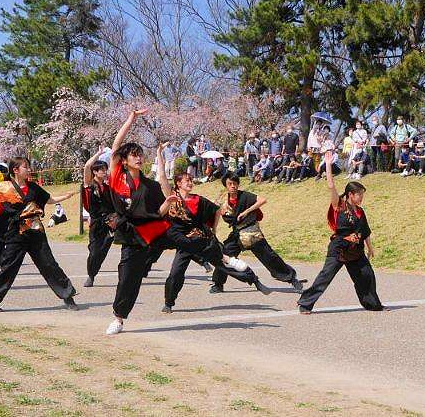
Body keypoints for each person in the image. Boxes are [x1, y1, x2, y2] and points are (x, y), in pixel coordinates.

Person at [155, 147, 269, 312]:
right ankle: (169, 303)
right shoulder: (173, 198)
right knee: (175, 274)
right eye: (187, 180)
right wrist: (159, 155)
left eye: (191, 180)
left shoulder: (198, 200)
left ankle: (253, 279)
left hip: (202, 240)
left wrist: (214, 229)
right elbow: (162, 178)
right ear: (178, 184)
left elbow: (216, 210)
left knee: (223, 263)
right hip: (184, 243)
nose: (190, 182)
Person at [0, 156, 78, 312]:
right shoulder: (2, 186)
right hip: (15, 233)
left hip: (36, 231)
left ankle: (67, 295)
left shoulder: (33, 188)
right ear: (15, 170)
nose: (29, 170)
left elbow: (50, 199)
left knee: (49, 264)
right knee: (9, 267)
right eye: (26, 167)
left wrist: (66, 196)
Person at [105, 108, 176, 335]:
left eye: (140, 154)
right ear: (124, 161)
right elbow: (116, 145)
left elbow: (163, 204)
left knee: (191, 240)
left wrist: (170, 201)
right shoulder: (117, 177)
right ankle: (118, 318)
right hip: (131, 236)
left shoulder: (150, 186)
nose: (138, 157)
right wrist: (131, 119)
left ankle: (223, 258)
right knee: (128, 278)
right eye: (133, 154)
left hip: (154, 232)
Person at [297, 151, 386, 314]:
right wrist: (328, 164)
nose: (361, 198)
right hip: (339, 248)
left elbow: (365, 231)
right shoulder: (339, 205)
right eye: (359, 195)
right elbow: (331, 185)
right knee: (325, 277)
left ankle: (373, 304)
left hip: (356, 250)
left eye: (362, 195)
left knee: (367, 275)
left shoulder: (360, 212)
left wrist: (370, 248)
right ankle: (305, 303)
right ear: (351, 194)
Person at [211, 172, 305, 293]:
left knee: (270, 257)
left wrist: (246, 211)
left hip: (252, 232)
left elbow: (262, 200)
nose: (233, 186)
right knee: (225, 256)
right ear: (226, 186)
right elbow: (215, 210)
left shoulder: (245, 196)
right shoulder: (224, 200)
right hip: (237, 235)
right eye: (230, 184)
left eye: (235, 183)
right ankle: (218, 284)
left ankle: (291, 279)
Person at [82, 147, 114, 287]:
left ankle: (93, 273)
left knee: (103, 250)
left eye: (105, 169)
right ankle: (91, 275)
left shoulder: (108, 188)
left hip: (109, 222)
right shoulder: (89, 185)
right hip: (96, 222)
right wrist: (99, 154)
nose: (104, 172)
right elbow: (87, 166)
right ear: (95, 172)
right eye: (101, 170)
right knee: (94, 251)